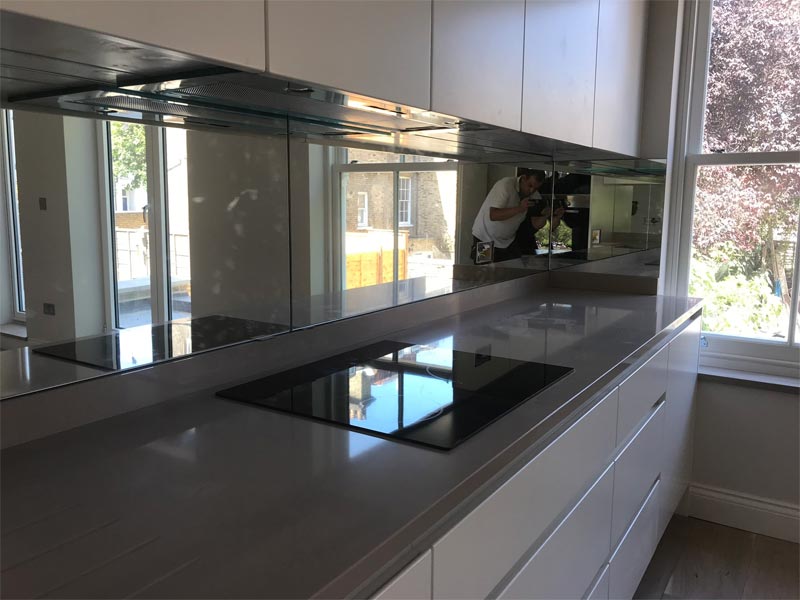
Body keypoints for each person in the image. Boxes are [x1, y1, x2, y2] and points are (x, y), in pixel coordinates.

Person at [471, 169, 546, 263]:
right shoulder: (505, 185)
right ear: (523, 178)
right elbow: (493, 215)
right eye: (530, 185)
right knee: (484, 272)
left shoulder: (535, 196)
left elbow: (534, 223)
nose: (531, 191)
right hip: (485, 237)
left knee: (511, 271)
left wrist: (548, 214)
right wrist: (519, 208)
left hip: (508, 241)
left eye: (535, 188)